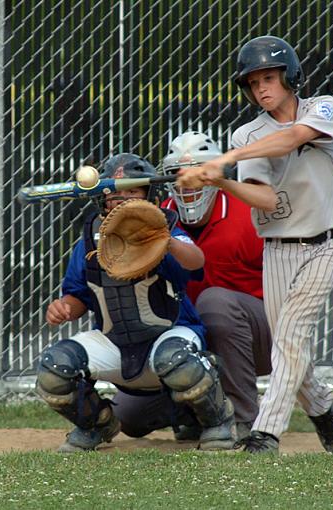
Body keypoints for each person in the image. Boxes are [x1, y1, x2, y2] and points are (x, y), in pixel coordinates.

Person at [176, 36, 333, 454]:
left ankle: (265, 434)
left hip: (325, 243)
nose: (262, 88)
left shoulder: (322, 107)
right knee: (287, 343)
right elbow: (266, 199)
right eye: (254, 83)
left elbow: (292, 138)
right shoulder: (247, 133)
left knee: (290, 336)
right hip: (277, 248)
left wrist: (223, 161)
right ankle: (325, 415)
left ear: (290, 76)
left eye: (269, 77)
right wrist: (219, 180)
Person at [36, 153, 237, 452]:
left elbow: (196, 262)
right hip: (114, 342)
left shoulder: (166, 227)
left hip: (170, 335)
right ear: (102, 199)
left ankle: (217, 422)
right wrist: (64, 307)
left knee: (177, 362)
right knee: (54, 368)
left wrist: (164, 239)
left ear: (148, 195)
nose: (123, 199)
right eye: (115, 193)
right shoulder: (90, 239)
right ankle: (97, 425)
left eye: (133, 192)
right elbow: (78, 295)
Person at [112, 132, 272, 442]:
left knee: (215, 303)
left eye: (199, 171)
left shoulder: (245, 211)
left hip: (259, 338)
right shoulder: (158, 216)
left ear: (215, 172)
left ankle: (242, 418)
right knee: (128, 417)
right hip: (189, 339)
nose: (189, 182)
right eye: (178, 174)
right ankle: (195, 413)